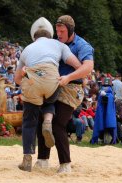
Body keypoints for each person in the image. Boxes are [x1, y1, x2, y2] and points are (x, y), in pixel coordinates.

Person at [14, 17, 83, 172]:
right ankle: (48, 119)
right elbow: (77, 65)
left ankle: (27, 159)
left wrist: (28, 79)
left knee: (29, 121)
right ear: (50, 35)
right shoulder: (59, 45)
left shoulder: (27, 49)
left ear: (34, 37)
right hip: (52, 79)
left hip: (32, 79)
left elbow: (17, 79)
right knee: (50, 98)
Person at [35, 15, 94, 173]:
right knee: (42, 121)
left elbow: (88, 68)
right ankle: (42, 160)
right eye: (57, 30)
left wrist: (69, 77)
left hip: (72, 88)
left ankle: (65, 164)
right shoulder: (53, 43)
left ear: (71, 30)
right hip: (52, 86)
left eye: (62, 31)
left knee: (57, 124)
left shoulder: (82, 45)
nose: (58, 34)